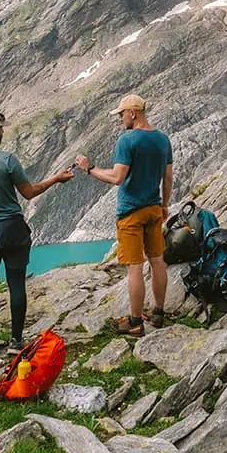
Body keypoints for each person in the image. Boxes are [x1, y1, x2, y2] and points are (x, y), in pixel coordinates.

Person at [0, 109, 74, 355]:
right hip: (11, 228)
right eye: (1, 129)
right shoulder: (7, 160)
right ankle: (16, 341)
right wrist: (56, 179)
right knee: (16, 282)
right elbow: (29, 192)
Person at [76, 94, 173, 337]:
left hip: (131, 212)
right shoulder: (162, 139)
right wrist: (164, 205)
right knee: (158, 260)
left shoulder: (127, 140)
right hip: (153, 208)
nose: (120, 118)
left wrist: (89, 168)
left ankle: (135, 322)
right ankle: (158, 313)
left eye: (121, 114)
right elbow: (168, 176)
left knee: (134, 268)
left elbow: (117, 177)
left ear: (133, 113)